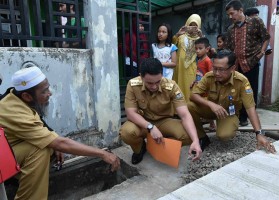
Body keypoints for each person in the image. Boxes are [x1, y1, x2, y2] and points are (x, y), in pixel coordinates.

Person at [0, 63, 120, 200]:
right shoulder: (14, 111)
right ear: (27, 96)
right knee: (39, 150)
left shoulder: (17, 98)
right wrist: (102, 153)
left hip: (8, 152)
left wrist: (54, 141)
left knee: (48, 145)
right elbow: (60, 143)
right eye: (44, 91)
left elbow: (46, 132)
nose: (49, 93)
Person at [188, 50, 276, 153]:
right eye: (214, 68)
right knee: (189, 106)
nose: (216, 73)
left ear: (232, 68)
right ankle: (202, 137)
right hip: (211, 109)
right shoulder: (209, 76)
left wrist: (259, 134)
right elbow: (193, 95)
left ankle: (225, 125)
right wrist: (210, 104)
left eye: (221, 70)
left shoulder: (242, 81)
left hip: (228, 114)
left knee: (224, 135)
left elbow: (250, 109)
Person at [119, 58, 202, 165]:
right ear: (141, 76)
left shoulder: (171, 86)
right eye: (149, 83)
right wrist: (151, 127)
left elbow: (185, 115)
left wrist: (195, 140)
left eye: (157, 82)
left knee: (188, 135)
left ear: (162, 75)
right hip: (143, 122)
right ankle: (139, 149)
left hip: (165, 121)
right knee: (127, 133)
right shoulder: (133, 84)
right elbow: (131, 113)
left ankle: (157, 145)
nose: (154, 86)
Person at [225, 0, 271, 126]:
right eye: (228, 14)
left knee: (250, 91)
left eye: (232, 13)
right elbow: (228, 48)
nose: (230, 17)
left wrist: (262, 52)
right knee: (236, 91)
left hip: (251, 63)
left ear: (240, 10)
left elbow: (266, 37)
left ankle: (248, 117)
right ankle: (238, 115)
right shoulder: (230, 29)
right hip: (236, 65)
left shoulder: (255, 22)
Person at [172, 14, 202, 102]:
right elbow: (172, 45)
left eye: (195, 26)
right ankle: (177, 109)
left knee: (190, 86)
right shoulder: (181, 36)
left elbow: (205, 48)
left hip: (191, 67)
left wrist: (201, 36)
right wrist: (178, 33)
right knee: (178, 86)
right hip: (179, 66)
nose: (192, 27)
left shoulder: (199, 39)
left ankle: (189, 108)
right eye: (191, 25)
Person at [191, 37, 215, 132]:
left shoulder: (208, 61)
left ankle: (212, 124)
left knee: (206, 106)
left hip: (206, 88)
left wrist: (208, 86)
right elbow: (198, 73)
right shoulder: (199, 60)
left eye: (200, 48)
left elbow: (211, 73)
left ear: (207, 49)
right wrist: (194, 81)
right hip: (199, 87)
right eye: (196, 48)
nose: (197, 51)